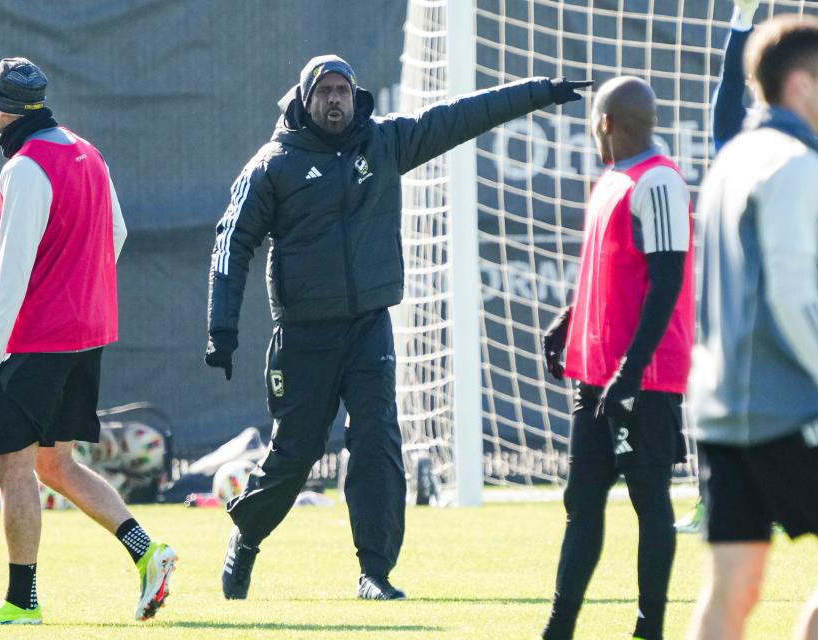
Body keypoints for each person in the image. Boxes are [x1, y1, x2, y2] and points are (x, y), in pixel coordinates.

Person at [205, 54, 590, 601]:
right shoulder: (273, 164)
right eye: (325, 92)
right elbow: (231, 242)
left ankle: (375, 572)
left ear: (353, 96)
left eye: (343, 89)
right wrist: (221, 331)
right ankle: (247, 536)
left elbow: (460, 116)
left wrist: (541, 90)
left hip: (368, 328)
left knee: (378, 442)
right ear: (305, 98)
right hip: (304, 337)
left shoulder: (383, 143)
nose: (335, 99)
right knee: (295, 454)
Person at [0, 58, 175, 626]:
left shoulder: (25, 166)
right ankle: (148, 552)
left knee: (11, 464)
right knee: (55, 462)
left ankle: (21, 602)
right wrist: (80, 286)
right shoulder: (89, 151)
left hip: (37, 337)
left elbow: (14, 269)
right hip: (87, 331)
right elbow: (118, 234)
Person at [688, 17, 818, 639]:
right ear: (800, 85)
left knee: (731, 589)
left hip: (716, 408)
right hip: (782, 411)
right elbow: (794, 301)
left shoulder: (730, 159)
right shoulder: (798, 161)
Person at [538, 76, 694, 640]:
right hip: (596, 374)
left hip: (642, 377)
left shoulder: (658, 182)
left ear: (604, 122)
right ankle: (558, 629)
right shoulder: (611, 180)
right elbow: (612, 274)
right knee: (581, 500)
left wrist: (631, 372)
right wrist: (567, 322)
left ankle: (648, 629)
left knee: (649, 500)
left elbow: (667, 279)